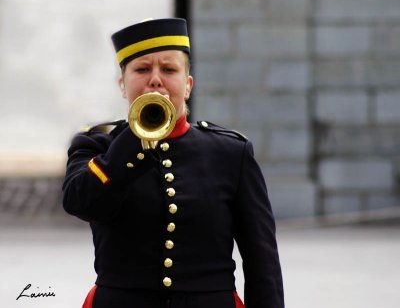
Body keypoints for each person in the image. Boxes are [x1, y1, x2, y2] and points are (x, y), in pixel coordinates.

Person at [62, 18, 284, 308]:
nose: (155, 79)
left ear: (188, 85)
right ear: (122, 85)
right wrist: (132, 140)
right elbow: (80, 202)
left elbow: (262, 259)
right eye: (142, 69)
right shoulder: (96, 145)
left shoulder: (231, 152)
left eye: (168, 69)